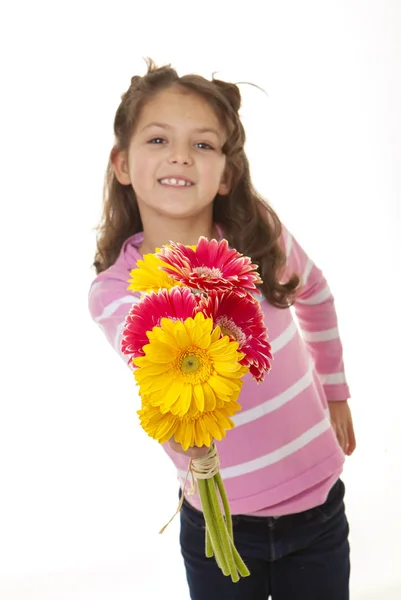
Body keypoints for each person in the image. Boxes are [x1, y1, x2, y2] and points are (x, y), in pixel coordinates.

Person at [88, 58, 356, 600]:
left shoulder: (255, 233)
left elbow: (316, 294)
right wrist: (211, 291)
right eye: (158, 139)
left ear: (227, 174)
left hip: (319, 507)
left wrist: (336, 393)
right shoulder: (117, 292)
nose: (181, 155)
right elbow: (165, 362)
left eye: (204, 145)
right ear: (122, 163)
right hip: (219, 525)